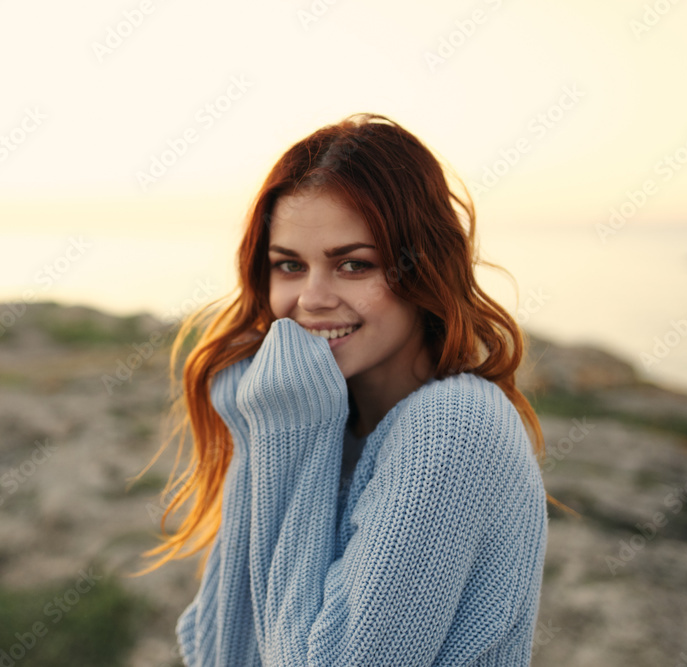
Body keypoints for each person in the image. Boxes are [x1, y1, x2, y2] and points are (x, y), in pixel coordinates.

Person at [129, 113, 557, 665]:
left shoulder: (453, 428)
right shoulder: (320, 411)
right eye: (288, 265)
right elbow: (217, 648)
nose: (311, 298)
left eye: (353, 264)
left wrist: (286, 432)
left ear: (422, 267)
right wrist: (259, 429)